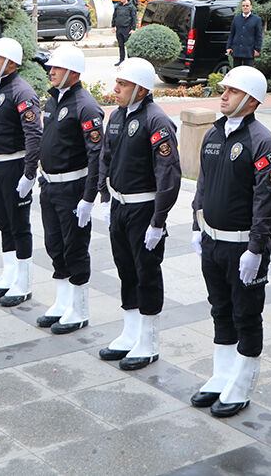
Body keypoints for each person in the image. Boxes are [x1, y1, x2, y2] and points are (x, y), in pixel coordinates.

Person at [190, 66, 271, 416]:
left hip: (243, 245)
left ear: (252, 100)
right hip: (213, 240)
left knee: (246, 314)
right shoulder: (215, 133)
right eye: (223, 89)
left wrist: (256, 249)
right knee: (220, 308)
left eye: (232, 91)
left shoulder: (263, 142)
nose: (223, 95)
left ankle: (241, 384)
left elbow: (267, 201)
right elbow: (203, 184)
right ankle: (222, 374)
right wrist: (197, 224)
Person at [98, 58, 181, 370]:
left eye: (123, 84)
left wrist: (158, 221)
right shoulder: (117, 116)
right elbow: (106, 158)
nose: (116, 89)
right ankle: (130, 332)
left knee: (146, 273)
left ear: (141, 89)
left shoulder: (156, 121)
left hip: (144, 208)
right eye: (118, 83)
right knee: (126, 270)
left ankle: (148, 341)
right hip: (120, 205)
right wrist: (104, 197)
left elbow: (168, 174)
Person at [36, 45, 103, 334]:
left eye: (57, 68)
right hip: (50, 186)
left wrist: (89, 198)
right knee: (55, 245)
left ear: (74, 73)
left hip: (73, 188)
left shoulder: (85, 106)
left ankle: (79, 310)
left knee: (75, 248)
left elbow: (96, 155)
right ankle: (63, 302)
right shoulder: (54, 100)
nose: (51, 72)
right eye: (51, 67)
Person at [0, 37, 42, 305]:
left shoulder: (22, 92)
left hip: (14, 165)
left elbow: (34, 135)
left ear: (10, 62)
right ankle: (9, 274)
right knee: (3, 221)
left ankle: (24, 282)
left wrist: (29, 173)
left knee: (19, 225)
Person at [225, 0, 262, 67]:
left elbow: (259, 36)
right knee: (236, 71)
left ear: (251, 6)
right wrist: (228, 47)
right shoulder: (236, 18)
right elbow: (232, 34)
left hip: (249, 52)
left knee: (248, 71)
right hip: (237, 51)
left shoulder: (257, 19)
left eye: (247, 6)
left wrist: (257, 49)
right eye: (243, 6)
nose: (245, 7)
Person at [112, 0, 138, 66]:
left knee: (128, 45)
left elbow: (134, 18)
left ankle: (130, 61)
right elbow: (114, 16)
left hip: (127, 28)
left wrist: (133, 29)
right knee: (120, 45)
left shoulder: (131, 7)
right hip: (119, 28)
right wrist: (113, 26)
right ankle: (121, 60)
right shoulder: (118, 6)